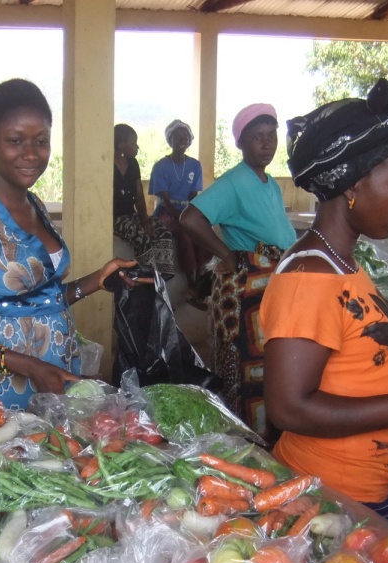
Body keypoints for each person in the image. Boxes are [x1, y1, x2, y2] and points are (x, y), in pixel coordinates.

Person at [260, 80, 388, 520]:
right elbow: (289, 406)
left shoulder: (342, 264)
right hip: (333, 502)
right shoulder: (310, 278)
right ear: (352, 185)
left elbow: (353, 366)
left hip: (367, 490)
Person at [0, 79, 135, 408]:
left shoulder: (37, 207)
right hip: (3, 391)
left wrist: (96, 280)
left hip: (55, 373)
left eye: (41, 141)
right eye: (15, 140)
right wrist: (33, 367)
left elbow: (40, 300)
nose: (31, 154)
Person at [179, 103, 298, 438]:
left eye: (271, 136)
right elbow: (190, 218)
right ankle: (248, 444)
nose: (266, 143)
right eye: (257, 137)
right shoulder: (234, 182)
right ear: (241, 144)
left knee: (270, 366)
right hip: (246, 290)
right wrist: (225, 254)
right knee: (246, 369)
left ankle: (269, 441)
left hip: (270, 285)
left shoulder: (269, 183)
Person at [148, 120, 209, 306]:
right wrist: (181, 217)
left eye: (186, 137)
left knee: (202, 231)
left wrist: (195, 216)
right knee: (185, 232)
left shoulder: (195, 166)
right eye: (178, 137)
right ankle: (191, 283)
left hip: (186, 210)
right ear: (170, 140)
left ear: (190, 141)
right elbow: (164, 200)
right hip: (166, 211)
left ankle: (200, 282)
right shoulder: (160, 166)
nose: (182, 140)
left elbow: (192, 195)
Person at [113, 124, 176, 278]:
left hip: (130, 215)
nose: (137, 147)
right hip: (113, 219)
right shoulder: (106, 165)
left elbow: (139, 196)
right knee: (141, 237)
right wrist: (143, 226)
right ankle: (149, 276)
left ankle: (164, 276)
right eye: (133, 143)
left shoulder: (133, 165)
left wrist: (145, 221)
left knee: (162, 232)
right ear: (121, 145)